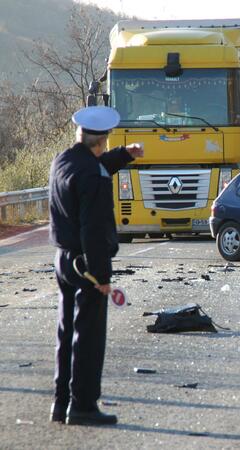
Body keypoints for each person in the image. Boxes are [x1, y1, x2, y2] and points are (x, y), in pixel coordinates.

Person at [48, 106, 144, 426]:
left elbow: (90, 169)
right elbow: (94, 228)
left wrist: (123, 155)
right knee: (89, 338)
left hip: (63, 260)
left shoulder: (64, 160)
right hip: (86, 264)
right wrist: (102, 276)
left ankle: (61, 403)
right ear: (101, 140)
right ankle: (84, 406)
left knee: (67, 333)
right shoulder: (94, 177)